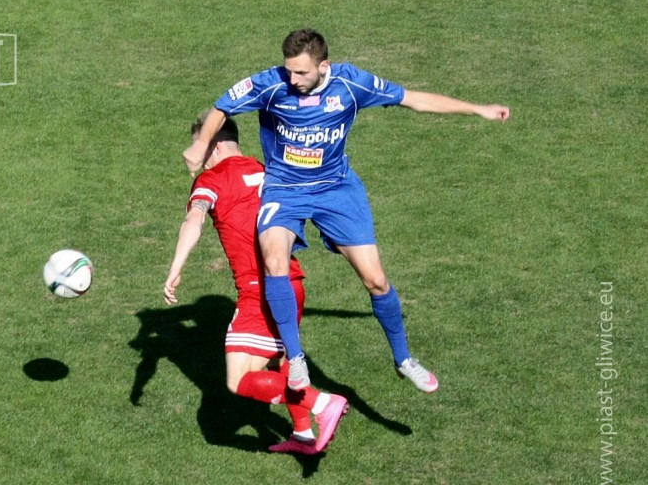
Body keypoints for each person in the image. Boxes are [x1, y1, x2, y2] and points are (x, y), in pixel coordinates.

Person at [184, 28, 510, 393]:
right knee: (274, 259)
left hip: (335, 190)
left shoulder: (352, 84)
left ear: (324, 66)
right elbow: (222, 107)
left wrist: (477, 109)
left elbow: (413, 99)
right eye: (289, 70)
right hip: (285, 189)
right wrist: (200, 145)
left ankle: (403, 359)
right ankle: (295, 358)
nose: (293, 79)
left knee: (376, 280)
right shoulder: (270, 84)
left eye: (301, 73)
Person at [164, 113, 348, 454]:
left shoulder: (211, 179)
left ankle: (322, 404)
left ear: (215, 146)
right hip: (292, 282)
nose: (198, 156)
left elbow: (194, 220)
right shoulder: (268, 171)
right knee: (282, 359)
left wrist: (176, 266)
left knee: (238, 380)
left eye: (200, 146)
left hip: (259, 291)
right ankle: (303, 434)